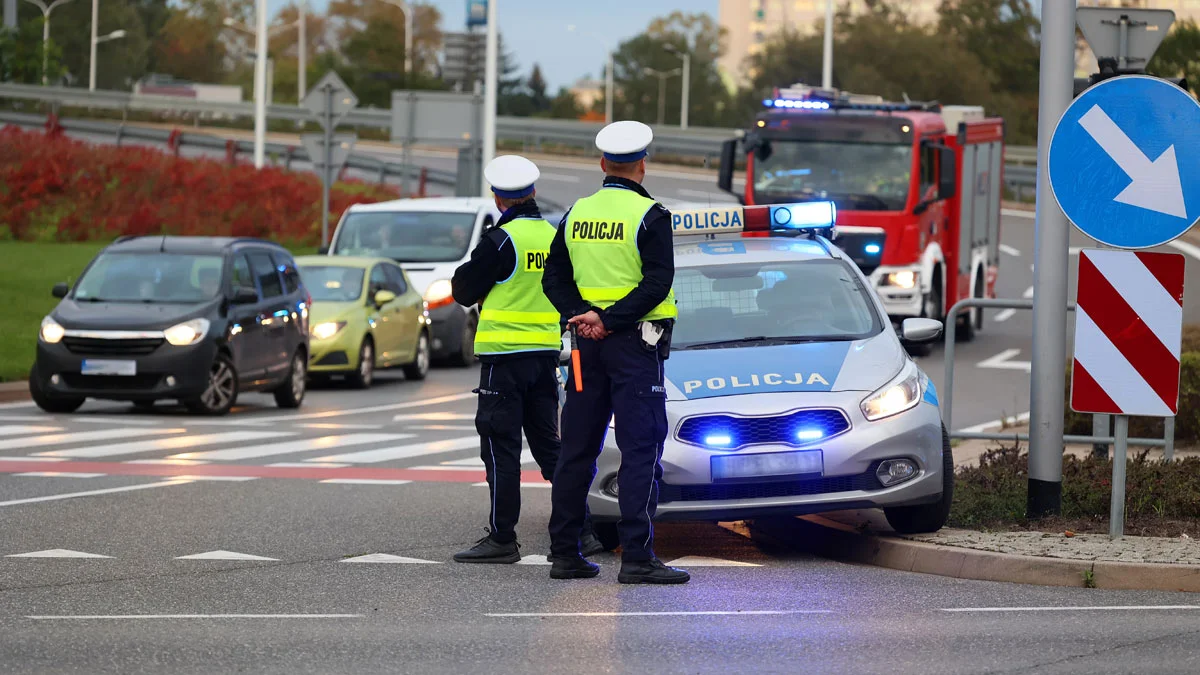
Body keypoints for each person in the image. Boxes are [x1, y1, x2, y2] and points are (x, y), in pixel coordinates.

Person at [541, 121, 690, 584]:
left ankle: (565, 554)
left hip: (586, 347)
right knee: (640, 449)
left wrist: (583, 315)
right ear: (642, 165)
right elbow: (656, 282)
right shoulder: (652, 216)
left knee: (577, 450)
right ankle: (638, 558)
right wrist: (610, 319)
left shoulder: (575, 213)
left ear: (603, 164)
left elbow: (554, 279)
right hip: (633, 347)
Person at [450, 154, 603, 563]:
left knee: (500, 448)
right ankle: (584, 532)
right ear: (533, 192)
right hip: (544, 358)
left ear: (498, 199)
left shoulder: (500, 241)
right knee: (551, 450)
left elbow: (462, 290)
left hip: (504, 359)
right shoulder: (553, 235)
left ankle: (502, 539)